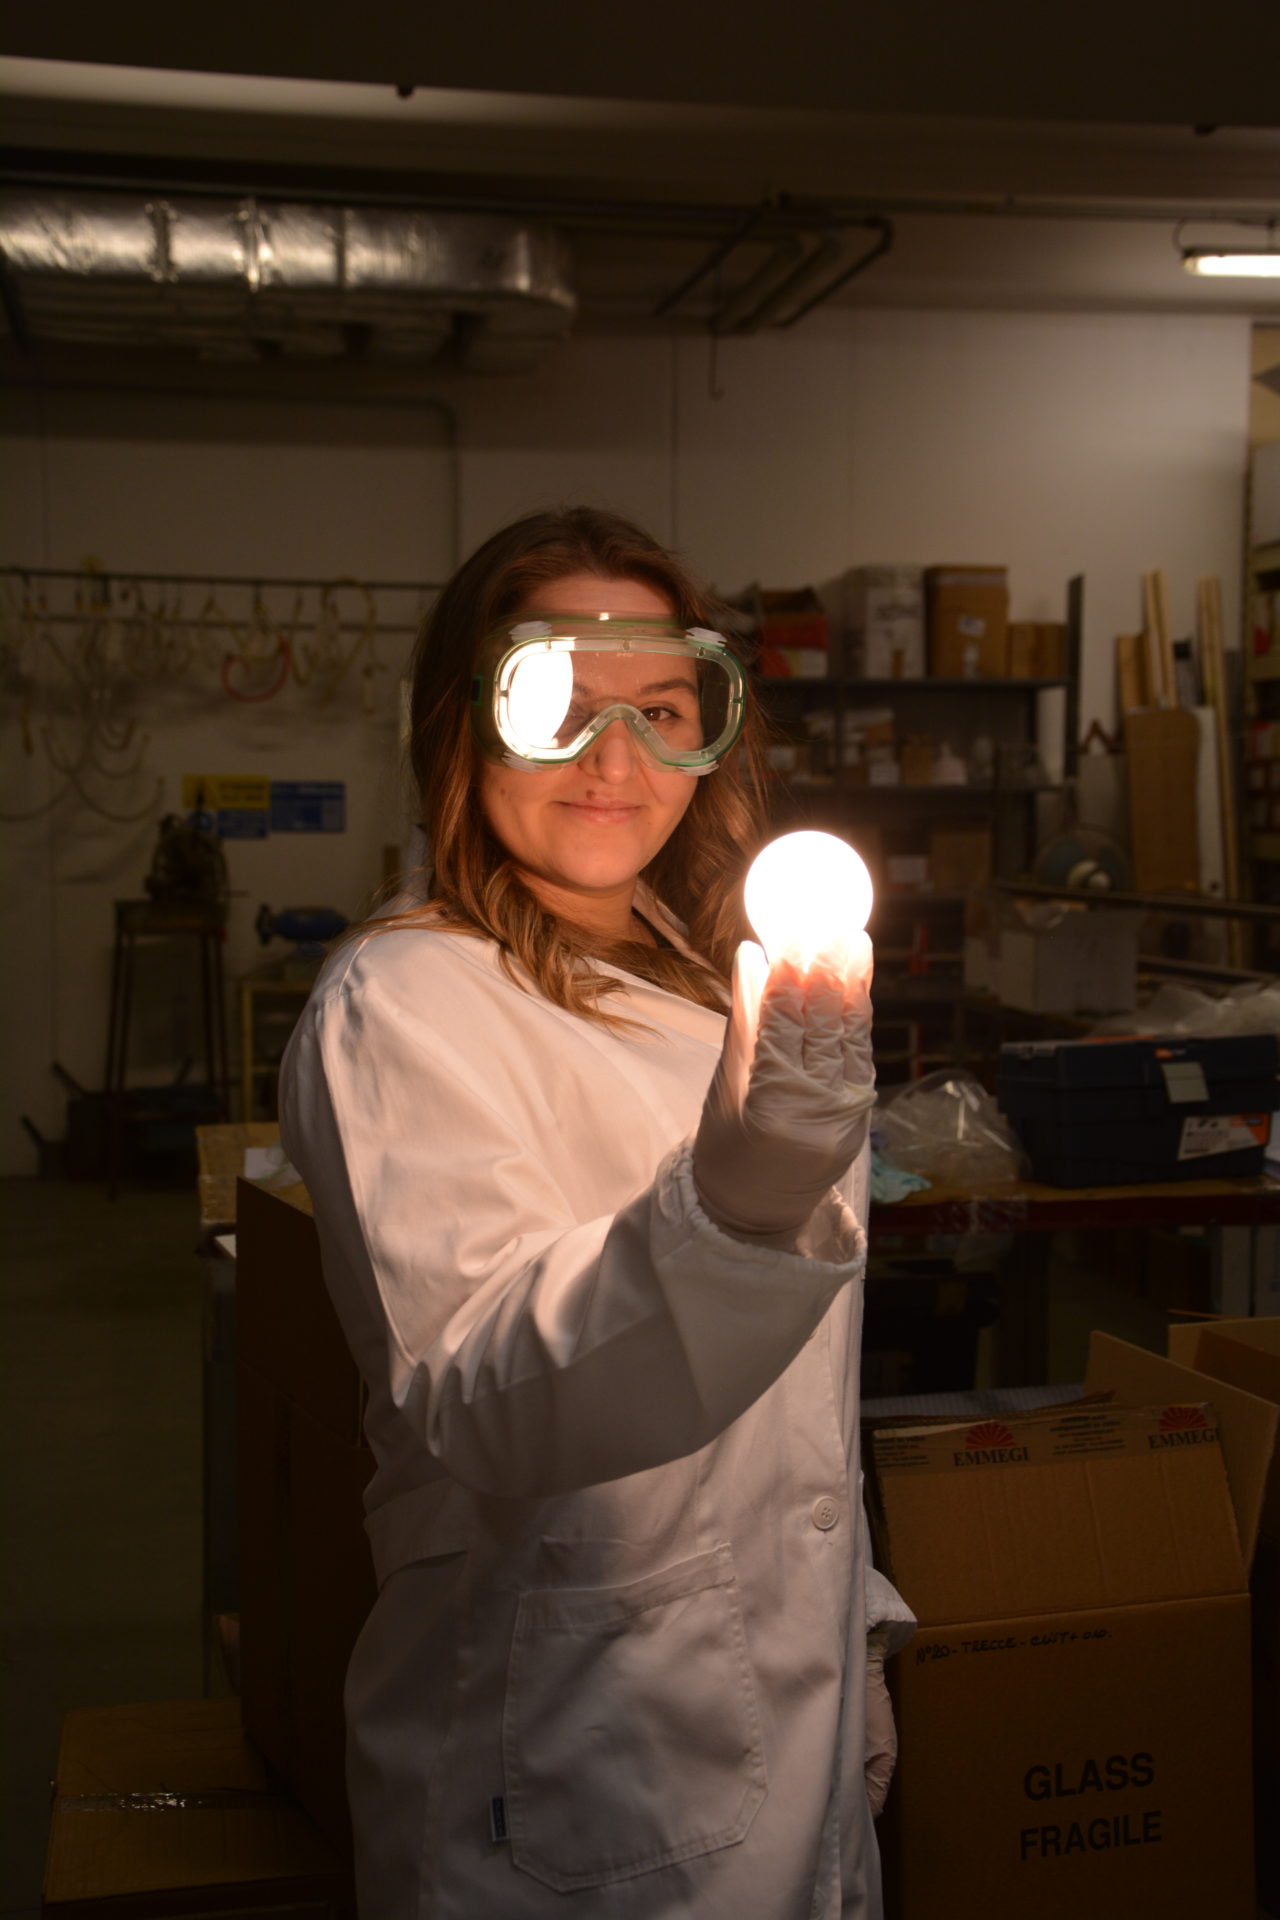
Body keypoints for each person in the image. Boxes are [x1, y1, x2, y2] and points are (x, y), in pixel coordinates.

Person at [278, 506, 915, 1919]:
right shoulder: (408, 1002)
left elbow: (799, 1415)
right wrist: (738, 1210)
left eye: (665, 713)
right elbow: (484, 1393)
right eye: (555, 707)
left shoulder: (714, 982)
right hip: (569, 1755)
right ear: (461, 720)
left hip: (782, 1719)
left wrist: (851, 1629)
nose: (616, 763)